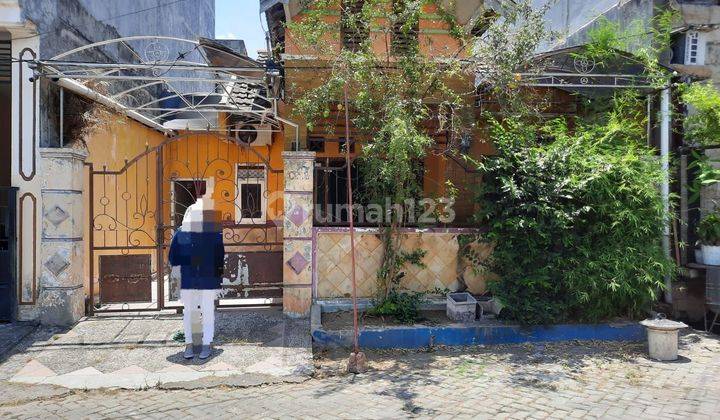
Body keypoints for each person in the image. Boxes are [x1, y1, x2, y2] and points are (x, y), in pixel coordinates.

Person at [168, 178, 225, 359]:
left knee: (193, 312)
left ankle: (193, 345)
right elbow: (219, 257)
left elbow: (172, 258)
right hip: (200, 278)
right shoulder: (211, 233)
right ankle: (202, 345)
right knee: (203, 311)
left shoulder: (182, 234)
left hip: (194, 278)